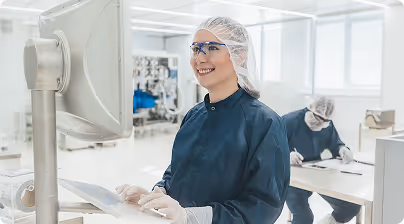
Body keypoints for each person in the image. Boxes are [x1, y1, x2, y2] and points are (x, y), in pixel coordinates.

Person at [115, 17, 290, 224]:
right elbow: (177, 173)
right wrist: (155, 195)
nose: (200, 58)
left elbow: (263, 207)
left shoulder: (265, 123)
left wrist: (192, 217)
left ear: (240, 56)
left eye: (212, 48)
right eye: (196, 49)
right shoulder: (194, 115)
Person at [282, 97, 361, 224]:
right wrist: (285, 155)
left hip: (317, 175)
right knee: (304, 217)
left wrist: (342, 149)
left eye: (325, 121)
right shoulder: (289, 121)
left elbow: (335, 144)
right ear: (310, 109)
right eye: (318, 119)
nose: (320, 124)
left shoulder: (326, 123)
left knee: (352, 206)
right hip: (293, 179)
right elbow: (270, 148)